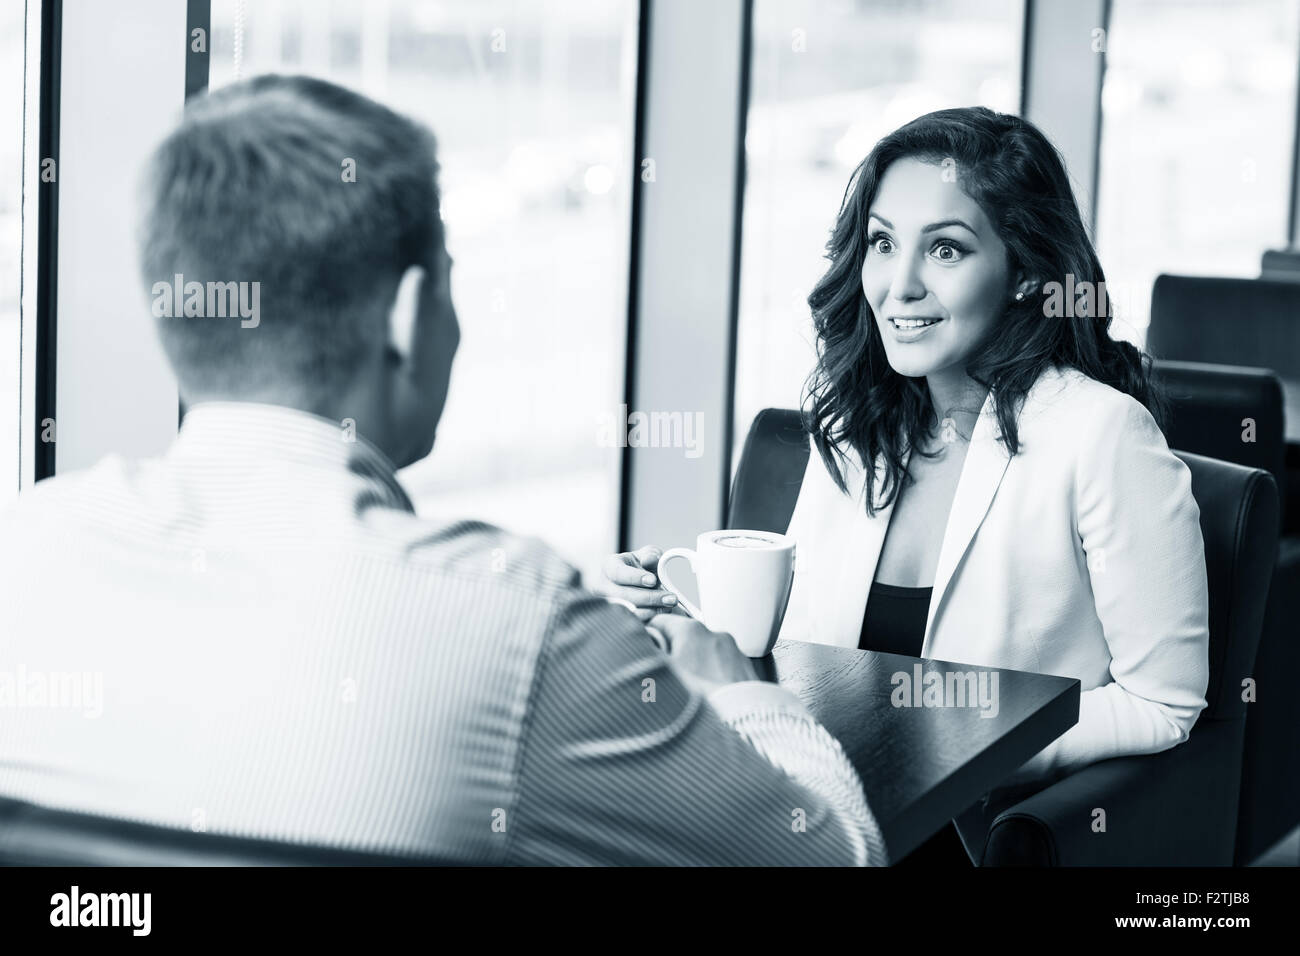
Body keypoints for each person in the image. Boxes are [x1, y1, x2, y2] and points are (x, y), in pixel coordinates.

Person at [0, 75, 887, 866]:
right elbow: (840, 856)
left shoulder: (24, 547)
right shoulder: (519, 622)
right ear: (411, 314)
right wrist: (737, 699)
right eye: (453, 283)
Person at [603, 106, 1210, 864]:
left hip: (964, 835)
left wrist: (979, 756)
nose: (900, 285)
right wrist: (682, 624)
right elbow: (805, 659)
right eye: (883, 243)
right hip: (818, 813)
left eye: (946, 250)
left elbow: (1165, 704)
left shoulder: (1103, 436)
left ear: (1024, 273)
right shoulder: (856, 429)